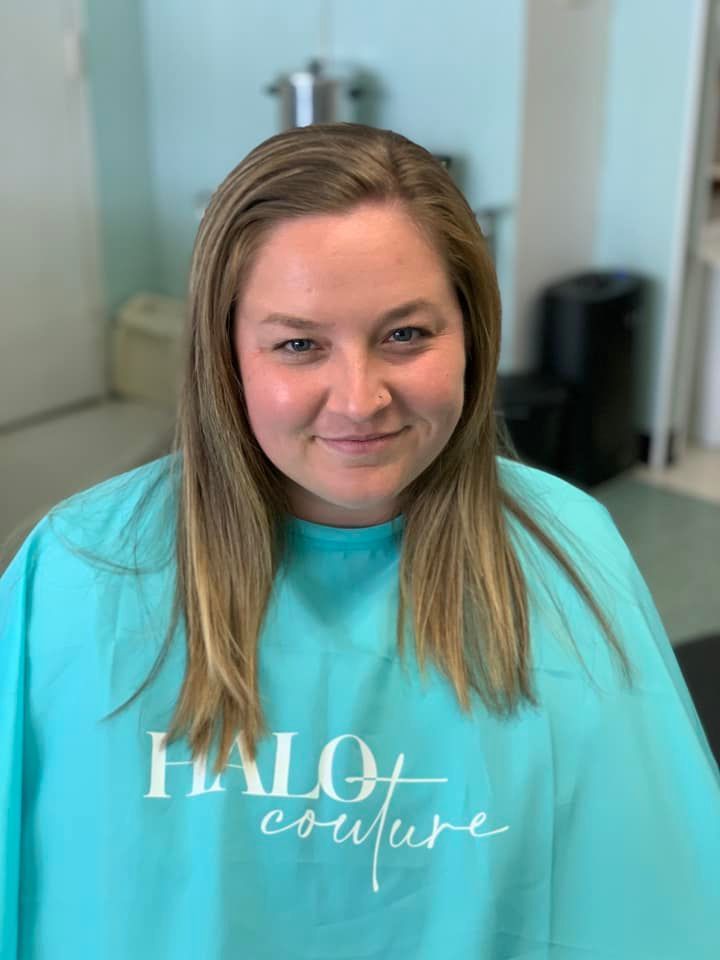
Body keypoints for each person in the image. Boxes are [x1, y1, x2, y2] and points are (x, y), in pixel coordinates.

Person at [1, 122, 719, 959]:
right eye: (299, 344)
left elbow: (653, 903)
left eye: (406, 335)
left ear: (472, 336)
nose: (358, 399)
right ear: (226, 355)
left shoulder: (568, 550)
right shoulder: (82, 569)